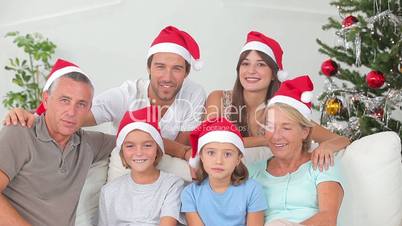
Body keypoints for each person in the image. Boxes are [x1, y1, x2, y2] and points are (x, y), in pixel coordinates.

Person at [3, 25, 206, 181]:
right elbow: (75, 115)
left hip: (164, 163)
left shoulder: (193, 93)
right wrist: (33, 115)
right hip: (126, 163)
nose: (167, 77)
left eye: (177, 69)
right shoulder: (126, 95)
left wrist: (180, 152)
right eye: (160, 67)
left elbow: (183, 149)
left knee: (195, 173)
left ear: (187, 72)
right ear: (148, 68)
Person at [205, 31, 350, 170]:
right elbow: (209, 140)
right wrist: (265, 140)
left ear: (275, 74)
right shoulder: (219, 99)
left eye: (261, 64)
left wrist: (326, 146)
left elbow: (341, 140)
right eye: (245, 64)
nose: (251, 71)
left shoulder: (283, 109)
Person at [0, 59, 115, 226]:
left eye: (81, 104)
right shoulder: (20, 132)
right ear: (46, 100)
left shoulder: (88, 144)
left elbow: (138, 139)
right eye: (64, 100)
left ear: (89, 109)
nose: (71, 112)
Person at [247, 75, 344, 225]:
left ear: (304, 132)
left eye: (286, 128)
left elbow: (328, 218)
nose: (276, 136)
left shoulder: (321, 164)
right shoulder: (253, 172)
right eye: (270, 127)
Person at [98, 106, 185, 226]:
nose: (139, 153)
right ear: (122, 151)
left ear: (157, 149)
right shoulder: (108, 191)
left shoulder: (172, 184)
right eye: (130, 146)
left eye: (147, 145)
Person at [181, 117, 267, 226]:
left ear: (238, 159)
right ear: (201, 156)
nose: (219, 161)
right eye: (211, 153)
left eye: (227, 154)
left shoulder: (253, 190)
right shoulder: (190, 194)